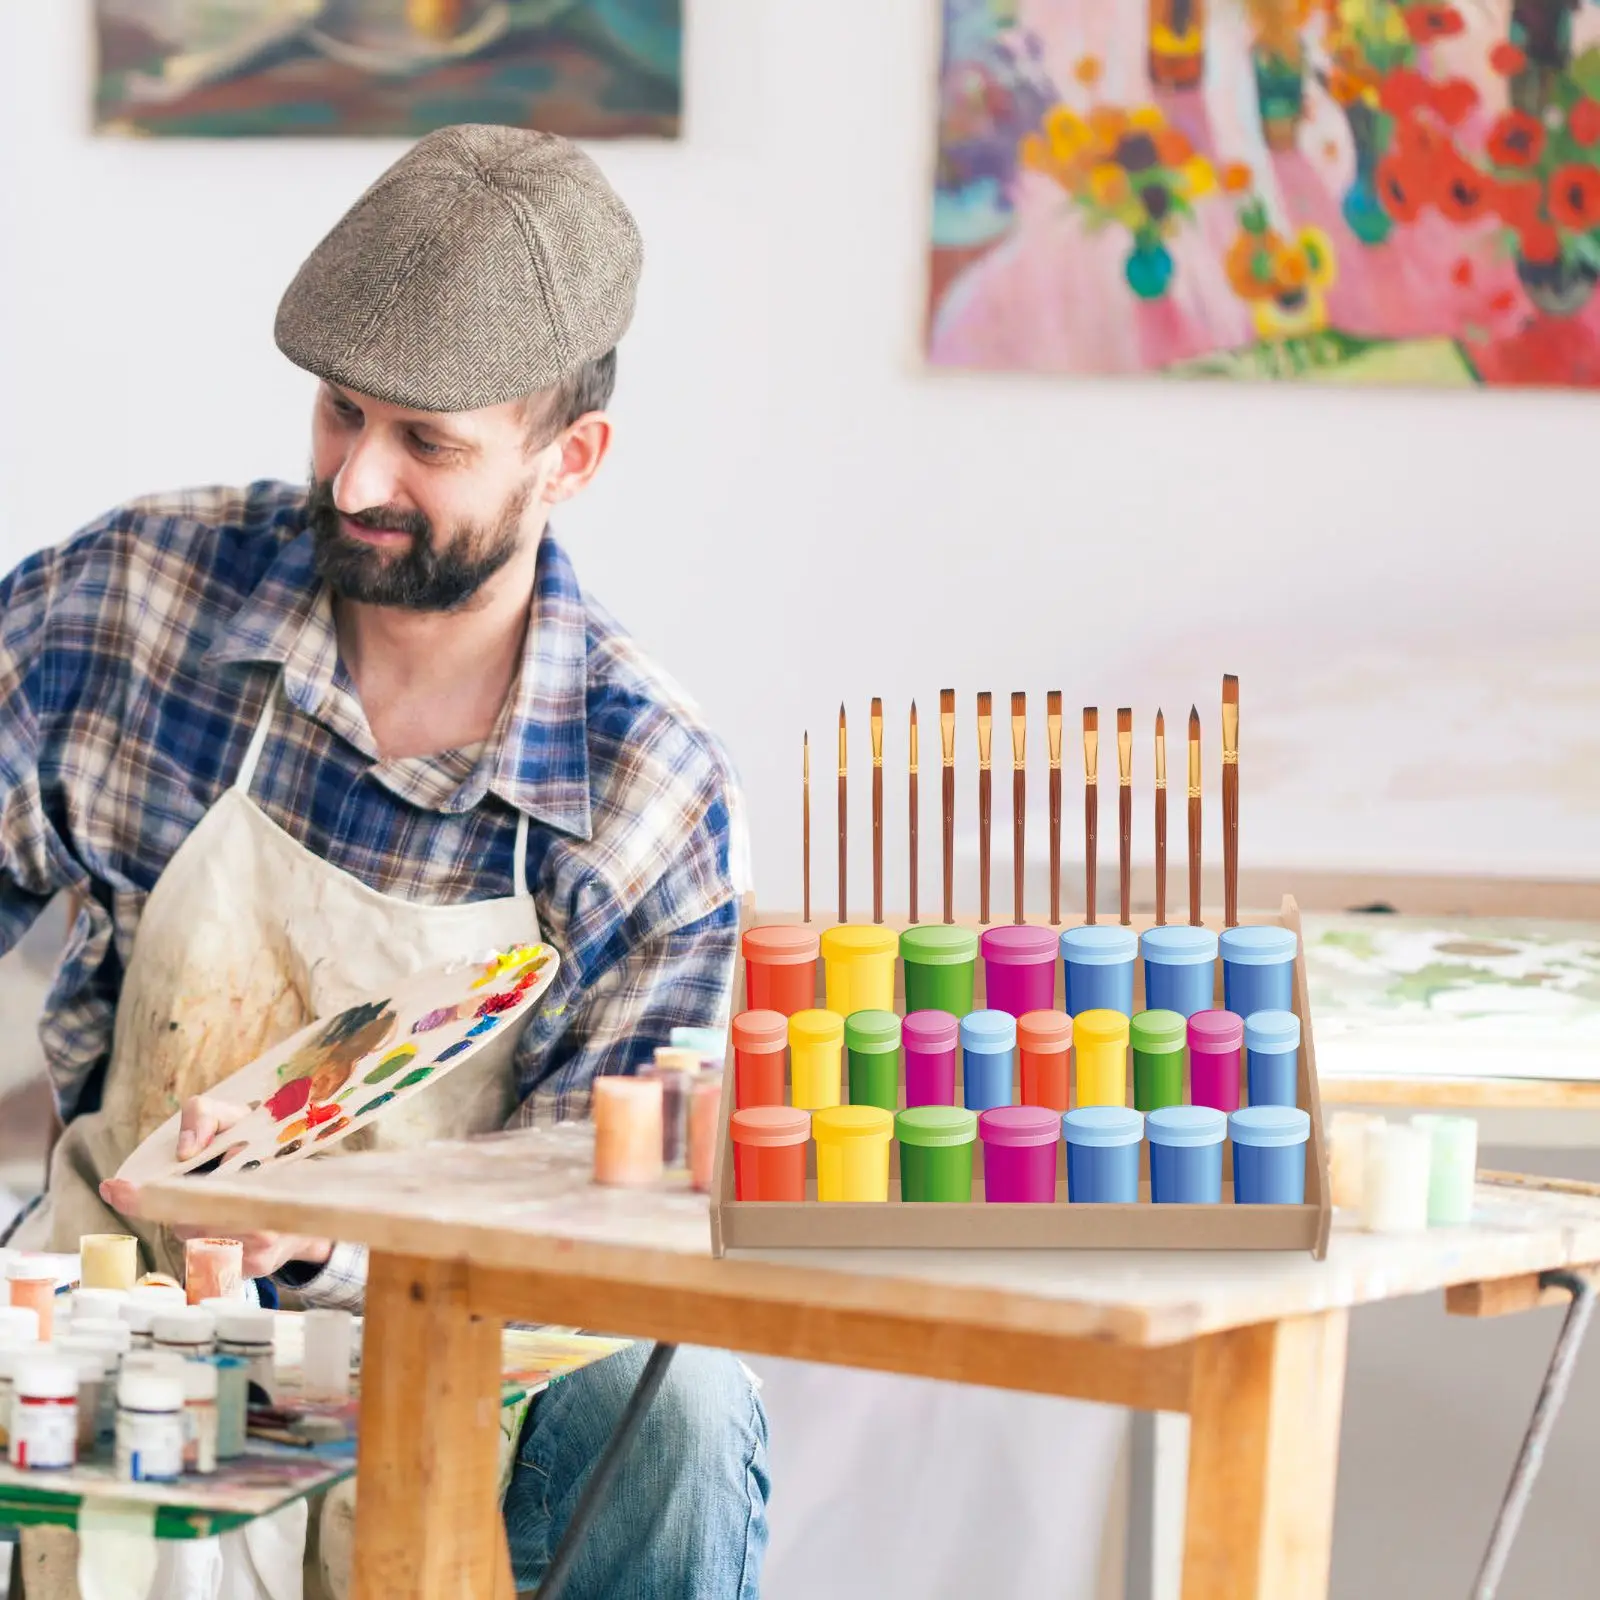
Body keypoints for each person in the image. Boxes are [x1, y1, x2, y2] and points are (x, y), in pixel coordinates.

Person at [3, 124, 768, 1597]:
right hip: (128, 1288)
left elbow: (603, 1248)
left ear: (572, 461)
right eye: (339, 413)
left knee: (681, 1406)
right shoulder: (137, 601)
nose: (355, 480)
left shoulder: (644, 788)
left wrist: (348, 1238)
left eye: (428, 444)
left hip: (455, 1349)